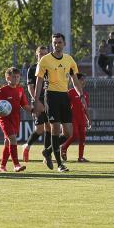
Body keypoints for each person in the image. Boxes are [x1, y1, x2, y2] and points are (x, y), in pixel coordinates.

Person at [34, 34, 84, 173]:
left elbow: (74, 79)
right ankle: (60, 164)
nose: (57, 45)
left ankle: (47, 151)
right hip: (50, 96)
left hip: (64, 96)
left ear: (64, 43)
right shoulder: (44, 60)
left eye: (59, 42)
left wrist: (80, 95)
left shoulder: (69, 60)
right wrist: (36, 100)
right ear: (52, 43)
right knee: (55, 128)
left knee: (68, 133)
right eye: (54, 42)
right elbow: (38, 81)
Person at [0, 67, 30, 173]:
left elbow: (24, 105)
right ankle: (16, 165)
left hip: (15, 119)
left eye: (17, 77)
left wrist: (35, 110)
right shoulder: (3, 90)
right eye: (13, 77)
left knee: (7, 142)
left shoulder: (20, 90)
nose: (16, 79)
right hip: (4, 119)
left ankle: (2, 166)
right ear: (8, 78)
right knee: (12, 139)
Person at [62, 73, 90, 163]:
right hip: (73, 117)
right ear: (77, 81)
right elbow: (65, 106)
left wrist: (88, 119)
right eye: (82, 79)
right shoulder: (70, 92)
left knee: (82, 138)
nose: (84, 81)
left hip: (82, 118)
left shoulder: (85, 94)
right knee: (74, 135)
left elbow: (85, 108)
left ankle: (80, 157)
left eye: (84, 79)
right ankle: (64, 147)